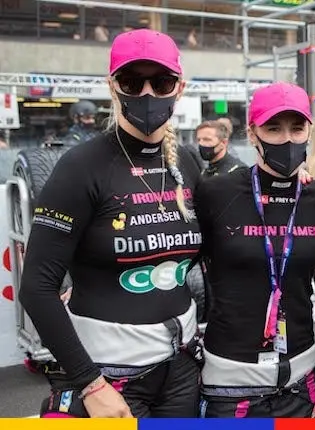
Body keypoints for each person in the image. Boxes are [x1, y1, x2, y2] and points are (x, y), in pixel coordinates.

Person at [19, 29, 202, 418]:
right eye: (133, 82)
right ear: (112, 86)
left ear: (179, 87)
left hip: (182, 372)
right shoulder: (80, 167)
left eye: (162, 82)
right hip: (107, 380)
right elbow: (36, 287)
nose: (149, 94)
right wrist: (90, 384)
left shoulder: (186, 162)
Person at [195, 82, 315, 418]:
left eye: (297, 129)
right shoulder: (215, 192)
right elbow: (175, 253)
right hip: (230, 381)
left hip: (301, 379)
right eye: (273, 128)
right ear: (252, 134)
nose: (287, 139)